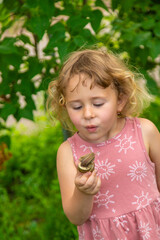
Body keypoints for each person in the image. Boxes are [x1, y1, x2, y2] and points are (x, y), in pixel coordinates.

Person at [47, 48, 160, 239]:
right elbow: (76, 217)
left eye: (98, 104)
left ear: (120, 100)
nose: (88, 114)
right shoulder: (68, 152)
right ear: (65, 106)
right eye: (77, 106)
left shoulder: (144, 132)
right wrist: (84, 192)